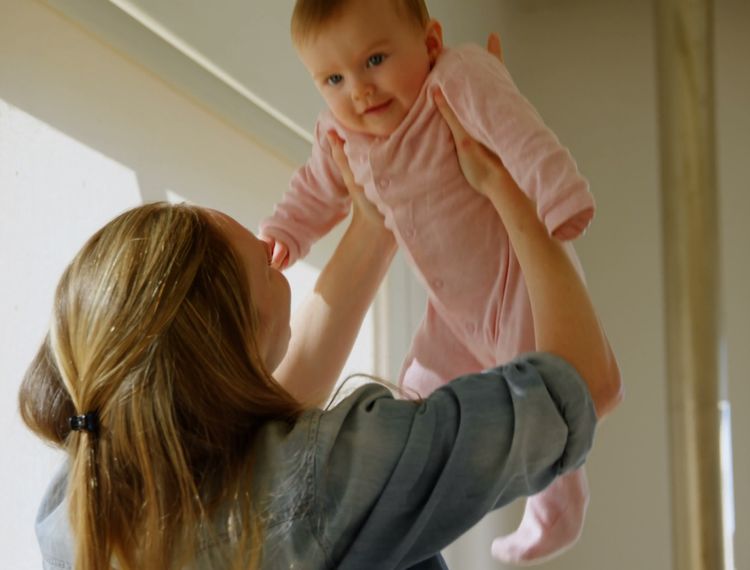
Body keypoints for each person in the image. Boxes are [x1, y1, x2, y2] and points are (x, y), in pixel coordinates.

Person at [20, 90, 622, 570]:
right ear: (237, 337)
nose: (267, 244)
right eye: (255, 256)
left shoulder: (75, 504)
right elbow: (582, 386)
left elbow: (273, 429)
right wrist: (511, 190)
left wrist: (377, 217)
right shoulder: (333, 473)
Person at [259, 0, 619, 563]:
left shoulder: (454, 80)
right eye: (333, 78)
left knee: (543, 391)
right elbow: (315, 188)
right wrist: (286, 231)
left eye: (375, 58)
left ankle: (558, 509)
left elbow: (523, 135)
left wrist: (560, 199)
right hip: (450, 309)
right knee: (416, 396)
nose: (360, 90)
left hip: (512, 280)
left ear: (429, 43)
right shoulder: (339, 133)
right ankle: (416, 513)